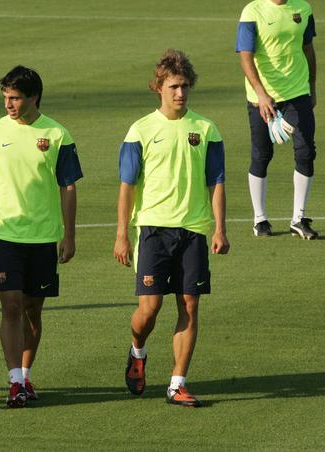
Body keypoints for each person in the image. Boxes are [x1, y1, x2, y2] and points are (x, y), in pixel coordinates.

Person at [113, 50, 229, 407]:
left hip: (193, 230)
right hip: (152, 231)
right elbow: (127, 186)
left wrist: (220, 228)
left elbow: (217, 182)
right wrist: (121, 233)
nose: (181, 93)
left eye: (185, 86)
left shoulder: (206, 129)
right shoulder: (141, 130)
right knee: (148, 310)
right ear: (158, 87)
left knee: (189, 307)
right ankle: (137, 350)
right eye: (174, 86)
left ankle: (177, 383)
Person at [0, 65, 82, 408]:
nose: (8, 104)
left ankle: (26, 375)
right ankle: (15, 380)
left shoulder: (58, 135)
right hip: (4, 234)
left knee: (33, 310)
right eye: (5, 97)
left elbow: (69, 186)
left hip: (44, 236)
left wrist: (70, 234)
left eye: (15, 98)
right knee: (12, 305)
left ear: (34, 97)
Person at [236, 0, 318, 239]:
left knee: (306, 152)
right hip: (261, 97)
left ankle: (298, 218)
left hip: (297, 93)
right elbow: (245, 56)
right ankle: (260, 219)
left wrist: (312, 86)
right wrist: (261, 94)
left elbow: (308, 48)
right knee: (261, 154)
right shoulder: (252, 12)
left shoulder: (303, 8)